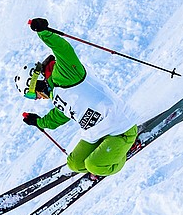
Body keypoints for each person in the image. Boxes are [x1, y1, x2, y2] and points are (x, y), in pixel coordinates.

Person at [16, 17, 139, 177]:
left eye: (32, 94)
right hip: (97, 133)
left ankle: (125, 150)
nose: (37, 98)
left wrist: (43, 32)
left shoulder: (66, 74)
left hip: (120, 126)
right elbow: (58, 116)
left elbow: (64, 50)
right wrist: (39, 121)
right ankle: (105, 157)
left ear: (37, 82)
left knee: (93, 165)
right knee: (74, 163)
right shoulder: (56, 95)